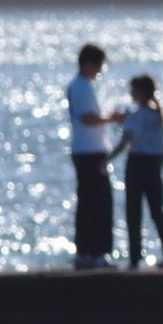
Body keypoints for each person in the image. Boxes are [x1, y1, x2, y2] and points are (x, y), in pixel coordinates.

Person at [64, 43, 122, 268]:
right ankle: (96, 252)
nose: (99, 71)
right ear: (89, 64)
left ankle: (86, 252)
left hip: (86, 150)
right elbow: (88, 118)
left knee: (89, 202)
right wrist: (112, 118)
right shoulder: (82, 87)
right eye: (99, 66)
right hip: (90, 152)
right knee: (98, 203)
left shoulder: (78, 86)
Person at [111, 73, 163, 268]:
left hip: (137, 164)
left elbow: (124, 143)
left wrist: (106, 160)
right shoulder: (159, 117)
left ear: (140, 92)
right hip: (154, 165)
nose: (131, 94)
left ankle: (134, 258)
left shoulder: (136, 115)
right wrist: (159, 169)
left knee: (134, 213)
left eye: (133, 90)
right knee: (158, 213)